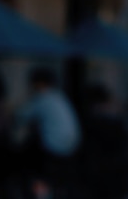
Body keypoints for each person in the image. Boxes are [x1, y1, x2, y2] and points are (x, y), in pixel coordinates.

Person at [13, 66, 81, 198]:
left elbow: (21, 115)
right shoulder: (60, 97)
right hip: (71, 148)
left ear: (39, 83)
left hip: (53, 148)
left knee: (32, 168)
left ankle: (40, 193)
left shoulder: (43, 98)